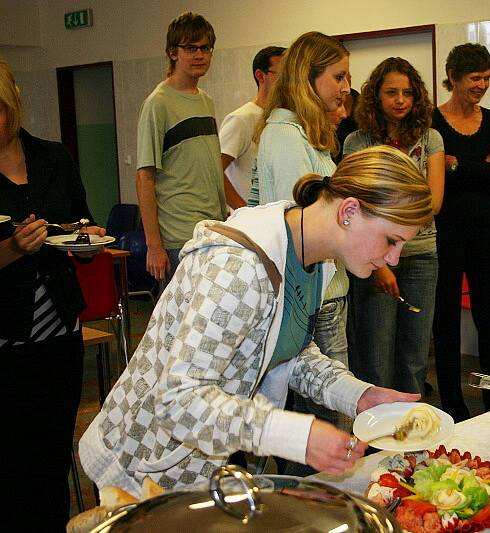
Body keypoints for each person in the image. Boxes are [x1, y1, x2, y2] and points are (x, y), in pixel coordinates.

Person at [79, 146, 432, 496]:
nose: (394, 259)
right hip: (138, 465)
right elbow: (178, 400)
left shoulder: (317, 261)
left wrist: (359, 395)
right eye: (391, 240)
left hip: (199, 466)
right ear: (349, 211)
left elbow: (286, 348)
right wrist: (293, 435)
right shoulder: (239, 269)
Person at [0, 59, 106, 531]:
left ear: (13, 106)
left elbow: (78, 225)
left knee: (52, 453)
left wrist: (86, 244)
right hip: (5, 336)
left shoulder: (53, 159)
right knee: (13, 463)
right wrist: (11, 249)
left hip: (59, 329)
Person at [249, 31, 353, 443]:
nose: (346, 88)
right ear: (308, 79)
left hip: (319, 291)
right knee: (333, 423)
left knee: (318, 420)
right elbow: (309, 226)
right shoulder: (286, 136)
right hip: (315, 295)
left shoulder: (299, 131)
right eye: (339, 77)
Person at [343, 57, 444, 395]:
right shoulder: (356, 143)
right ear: (376, 97)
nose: (401, 100)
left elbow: (434, 204)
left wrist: (385, 214)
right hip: (373, 261)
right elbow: (356, 209)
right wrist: (381, 259)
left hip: (422, 256)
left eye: (408, 92)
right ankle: (375, 441)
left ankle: (409, 433)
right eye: (391, 92)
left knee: (414, 357)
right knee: (376, 358)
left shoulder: (431, 139)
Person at [431, 43, 490, 422]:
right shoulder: (432, 121)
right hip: (444, 230)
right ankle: (453, 402)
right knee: (444, 318)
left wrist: (457, 165)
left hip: (484, 229)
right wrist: (482, 164)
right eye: (476, 78)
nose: (483, 85)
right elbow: (436, 172)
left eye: (487, 78)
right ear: (453, 78)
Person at [135, 12, 227, 284]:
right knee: (182, 324)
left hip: (212, 229)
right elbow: (144, 177)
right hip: (178, 235)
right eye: (190, 48)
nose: (199, 55)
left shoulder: (206, 101)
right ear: (172, 52)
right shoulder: (158, 103)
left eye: (205, 48)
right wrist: (154, 245)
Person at [219, 45, 285, 210]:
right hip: (252, 222)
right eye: (281, 75)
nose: (287, 82)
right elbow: (215, 172)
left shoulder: (283, 119)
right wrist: (245, 211)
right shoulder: (241, 119)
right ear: (260, 76)